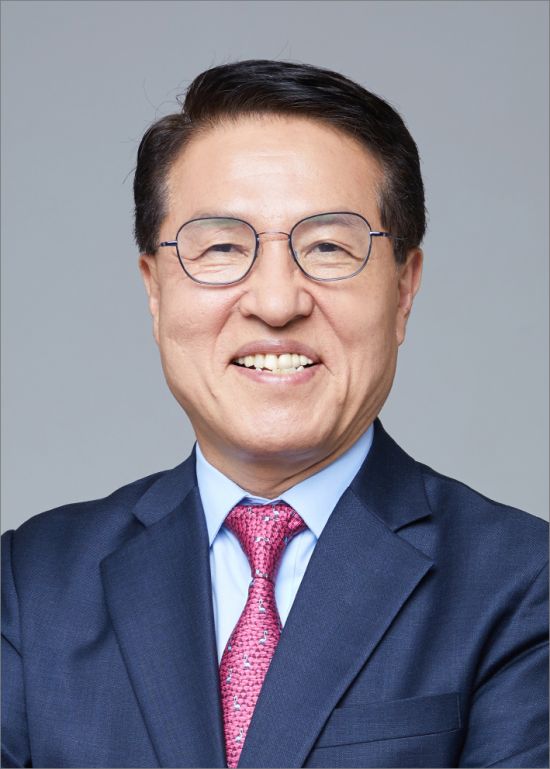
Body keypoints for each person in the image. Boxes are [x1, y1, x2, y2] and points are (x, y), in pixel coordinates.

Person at [2, 59, 548, 769]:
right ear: (155, 290)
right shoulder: (31, 584)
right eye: (222, 247)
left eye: (328, 247)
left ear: (404, 289)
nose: (276, 302)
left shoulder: (523, 583)